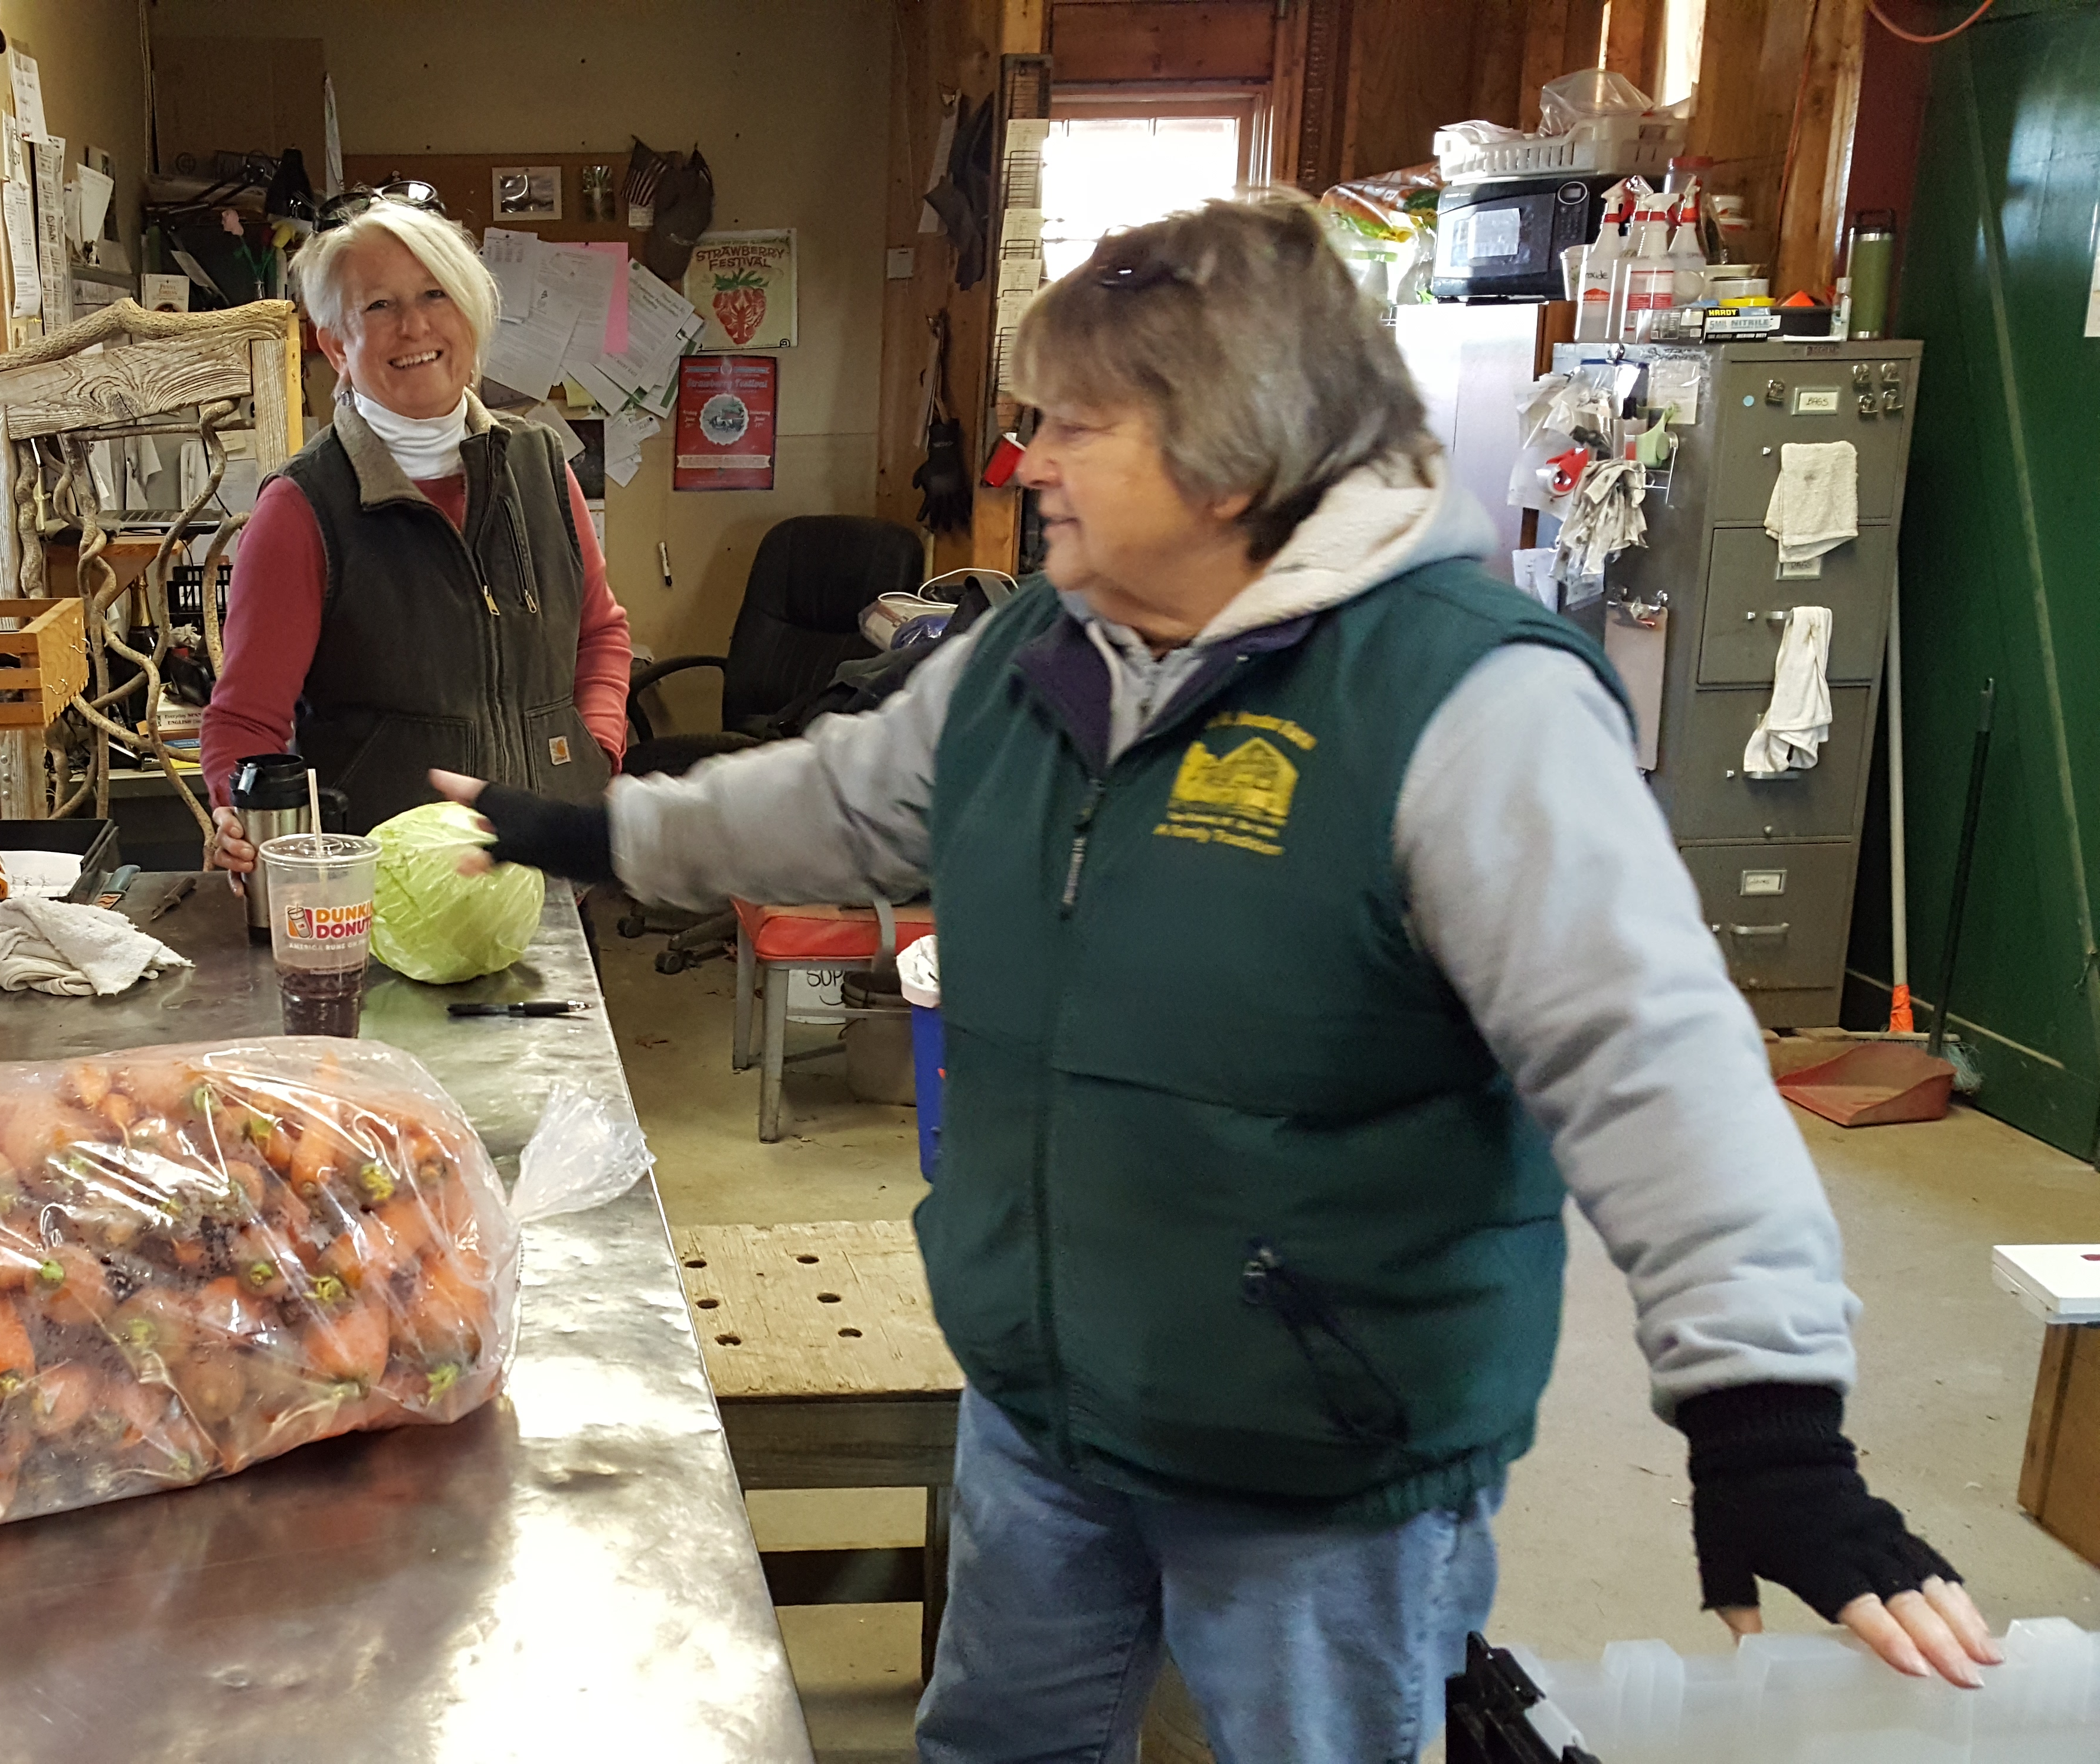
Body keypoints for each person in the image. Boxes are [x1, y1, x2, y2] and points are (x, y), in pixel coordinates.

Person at [444, 195, 1994, 1761]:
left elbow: (1653, 1065)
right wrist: (591, 833)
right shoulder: (1037, 656)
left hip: (1314, 1451)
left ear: (1230, 457)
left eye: (1076, 426)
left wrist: (1765, 1419)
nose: (1026, 463)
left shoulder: (1468, 705)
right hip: (1048, 1394)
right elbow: (835, 805)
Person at [204, 184, 632, 870]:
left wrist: (592, 753)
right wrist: (240, 817)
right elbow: (245, 720)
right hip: (387, 886)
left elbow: (600, 634)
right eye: (379, 306)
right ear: (335, 346)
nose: (415, 327)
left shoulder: (540, 467)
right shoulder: (302, 508)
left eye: (436, 295)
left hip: (546, 870)